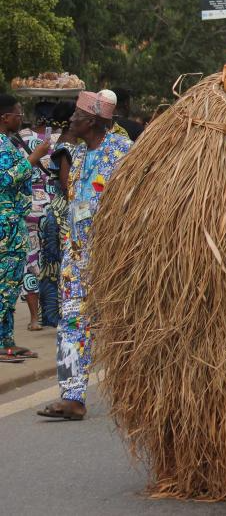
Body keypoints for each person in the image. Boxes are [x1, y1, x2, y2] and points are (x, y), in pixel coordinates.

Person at [38, 92, 131, 419]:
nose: (71, 121)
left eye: (76, 116)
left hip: (113, 256)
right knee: (72, 321)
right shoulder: (77, 154)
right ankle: (73, 397)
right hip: (76, 257)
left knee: (124, 324)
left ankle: (133, 396)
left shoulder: (123, 151)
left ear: (91, 121)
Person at [0, 95, 49, 362]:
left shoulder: (7, 142)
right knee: (4, 282)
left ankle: (7, 339)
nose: (21, 117)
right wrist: (33, 158)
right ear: (5, 117)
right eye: (18, 113)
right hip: (4, 222)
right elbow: (4, 178)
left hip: (14, 221)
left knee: (13, 279)